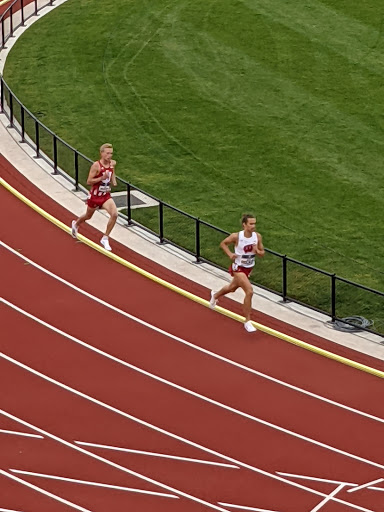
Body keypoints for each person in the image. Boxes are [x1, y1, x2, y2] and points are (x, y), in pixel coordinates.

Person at [210, 214, 265, 332]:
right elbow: (223, 243)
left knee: (231, 288)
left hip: (249, 268)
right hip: (238, 268)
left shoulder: (257, 237)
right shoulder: (237, 236)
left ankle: (215, 295)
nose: (253, 226)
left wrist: (257, 251)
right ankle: (247, 321)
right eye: (251, 224)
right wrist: (230, 254)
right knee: (249, 291)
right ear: (244, 224)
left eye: (254, 223)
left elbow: (262, 253)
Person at [71, 143, 118, 251]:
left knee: (114, 214)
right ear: (101, 153)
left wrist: (113, 182)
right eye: (107, 153)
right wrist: (102, 178)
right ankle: (76, 224)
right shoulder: (96, 166)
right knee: (88, 216)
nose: (110, 156)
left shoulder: (111, 164)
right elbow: (89, 181)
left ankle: (105, 237)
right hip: (95, 196)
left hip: (105, 196)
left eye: (111, 153)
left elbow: (112, 173)